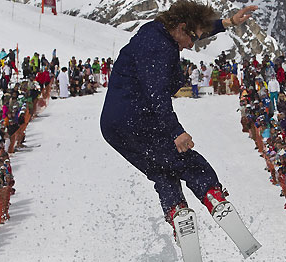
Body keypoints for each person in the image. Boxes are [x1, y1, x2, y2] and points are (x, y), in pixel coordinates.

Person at [100, 1, 258, 240]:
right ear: (181, 27)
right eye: (193, 37)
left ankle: (178, 213)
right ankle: (214, 198)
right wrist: (176, 131)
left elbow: (198, 29)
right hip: (136, 119)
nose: (192, 44)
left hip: (114, 127)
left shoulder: (156, 32)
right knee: (189, 162)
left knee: (161, 169)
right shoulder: (158, 46)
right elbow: (156, 93)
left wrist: (228, 23)